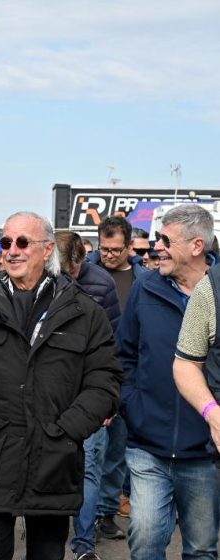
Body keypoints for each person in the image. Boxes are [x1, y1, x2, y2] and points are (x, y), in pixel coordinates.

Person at [0, 211, 123, 560]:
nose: (12, 250)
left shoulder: (83, 310)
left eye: (23, 242)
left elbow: (106, 378)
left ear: (47, 249)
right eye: (6, 242)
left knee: (47, 553)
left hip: (54, 458)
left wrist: (69, 429)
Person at [118, 204, 220, 559]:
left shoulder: (218, 294)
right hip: (148, 444)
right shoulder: (145, 289)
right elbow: (124, 354)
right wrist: (132, 404)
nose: (155, 246)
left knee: (202, 548)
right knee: (145, 540)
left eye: (165, 239)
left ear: (196, 246)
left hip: (205, 452)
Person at [56, 231, 121, 560]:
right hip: (49, 393)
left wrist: (106, 397)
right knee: (51, 465)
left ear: (82, 261)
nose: (66, 277)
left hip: (88, 393)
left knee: (90, 468)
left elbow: (112, 346)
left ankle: (83, 545)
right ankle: (48, 539)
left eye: (72, 271)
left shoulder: (102, 284)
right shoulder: (38, 280)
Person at [89, 216, 149, 539]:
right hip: (92, 377)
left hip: (128, 376)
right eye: (104, 248)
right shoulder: (84, 273)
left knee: (117, 453)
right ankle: (84, 515)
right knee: (90, 452)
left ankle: (105, 513)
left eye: (115, 250)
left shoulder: (144, 279)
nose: (109, 255)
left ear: (129, 246)